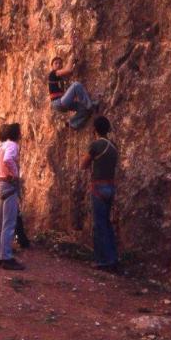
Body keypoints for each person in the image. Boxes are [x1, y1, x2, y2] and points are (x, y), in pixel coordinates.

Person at [81, 116, 119, 273]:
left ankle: (103, 261)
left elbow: (83, 164)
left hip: (98, 188)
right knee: (107, 224)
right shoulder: (114, 146)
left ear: (95, 129)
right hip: (111, 187)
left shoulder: (96, 145)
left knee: (99, 225)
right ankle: (113, 257)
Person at [0, 122, 25, 270]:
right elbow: (8, 159)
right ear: (16, 134)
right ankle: (7, 258)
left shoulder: (0, 145)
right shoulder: (12, 145)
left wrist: (0, 175)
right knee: (9, 225)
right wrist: (14, 175)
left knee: (1, 224)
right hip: (9, 186)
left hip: (1, 185)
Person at [48, 56, 99, 130]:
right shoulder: (53, 74)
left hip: (62, 103)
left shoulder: (60, 77)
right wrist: (71, 59)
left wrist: (74, 63)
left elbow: (70, 72)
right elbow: (68, 70)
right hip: (58, 102)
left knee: (83, 109)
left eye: (60, 63)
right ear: (52, 66)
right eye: (56, 63)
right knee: (76, 85)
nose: (58, 65)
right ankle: (90, 105)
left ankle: (72, 123)